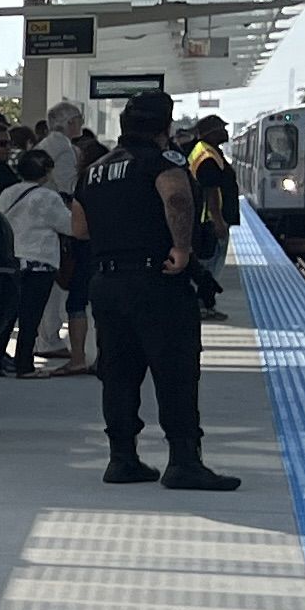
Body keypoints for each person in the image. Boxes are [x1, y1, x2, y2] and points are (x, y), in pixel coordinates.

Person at [76, 90, 243, 493]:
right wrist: (183, 249)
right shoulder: (161, 161)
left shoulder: (95, 169)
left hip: (107, 282)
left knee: (118, 372)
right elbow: (177, 198)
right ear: (165, 127)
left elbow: (79, 228)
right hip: (157, 280)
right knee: (176, 372)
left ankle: (122, 457)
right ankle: (184, 461)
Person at [0, 146, 70, 378]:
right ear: (47, 172)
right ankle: (24, 364)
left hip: (13, 259)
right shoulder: (49, 197)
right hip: (40, 261)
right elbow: (67, 225)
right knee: (31, 317)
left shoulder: (8, 192)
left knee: (7, 314)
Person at [38, 102, 96, 371]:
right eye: (78, 119)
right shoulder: (63, 147)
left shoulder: (50, 143)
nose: (81, 124)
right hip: (57, 220)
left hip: (44, 219)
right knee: (58, 285)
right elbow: (67, 186)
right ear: (69, 123)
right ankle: (49, 339)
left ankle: (47, 337)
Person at [185, 115, 243, 310]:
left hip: (209, 220)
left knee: (209, 265)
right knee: (210, 266)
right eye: (222, 128)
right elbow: (211, 191)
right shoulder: (207, 156)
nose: (226, 132)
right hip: (210, 222)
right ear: (211, 132)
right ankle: (203, 305)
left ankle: (204, 304)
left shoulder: (207, 152)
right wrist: (218, 221)